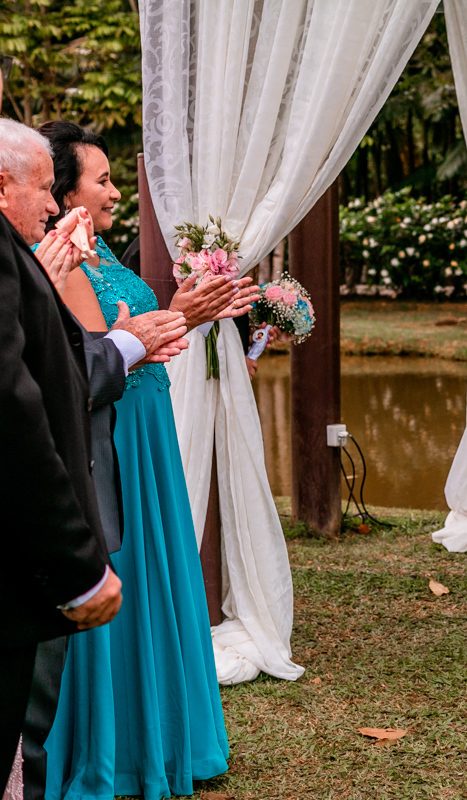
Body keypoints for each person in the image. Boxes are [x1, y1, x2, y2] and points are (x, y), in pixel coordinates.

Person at [30, 121, 257, 800]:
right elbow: (90, 363)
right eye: (101, 180)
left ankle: (160, 737)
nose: (114, 192)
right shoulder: (60, 261)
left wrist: (187, 314)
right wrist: (180, 314)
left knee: (154, 577)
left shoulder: (101, 253)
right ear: (62, 191)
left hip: (147, 430)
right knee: (121, 575)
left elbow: (137, 341)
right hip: (115, 438)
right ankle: (112, 752)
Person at [0, 118, 188, 796]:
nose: (54, 205)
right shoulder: (27, 261)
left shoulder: (49, 256)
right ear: (3, 187)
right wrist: (77, 562)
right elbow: (36, 394)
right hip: (31, 529)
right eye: (46, 188)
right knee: (24, 720)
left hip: (118, 439)